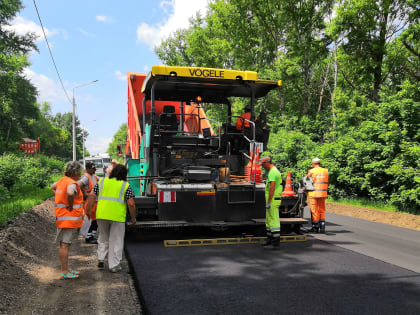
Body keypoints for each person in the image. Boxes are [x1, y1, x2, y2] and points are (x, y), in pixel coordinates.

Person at [86, 164, 136, 272]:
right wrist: (133, 218)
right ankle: (114, 266)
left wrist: (88, 211)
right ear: (124, 174)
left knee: (103, 237)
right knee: (116, 240)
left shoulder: (102, 182)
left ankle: (100, 258)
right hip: (117, 217)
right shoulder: (125, 185)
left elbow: (91, 196)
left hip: (102, 215)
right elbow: (131, 204)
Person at [51, 161, 84, 279]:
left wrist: (59, 197)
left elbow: (53, 187)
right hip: (69, 220)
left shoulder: (61, 181)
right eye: (79, 172)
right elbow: (70, 193)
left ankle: (66, 269)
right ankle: (64, 271)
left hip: (62, 218)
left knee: (64, 244)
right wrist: (69, 204)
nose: (80, 175)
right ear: (74, 173)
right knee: (65, 245)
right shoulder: (72, 184)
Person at [260, 157, 282, 250]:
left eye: (263, 165)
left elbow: (272, 188)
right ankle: (269, 239)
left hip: (273, 200)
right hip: (272, 200)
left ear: (267, 163)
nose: (263, 167)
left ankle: (276, 243)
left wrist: (269, 201)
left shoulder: (273, 172)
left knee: (274, 220)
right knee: (269, 220)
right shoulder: (274, 171)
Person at [307, 158, 329, 233]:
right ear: (319, 163)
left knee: (314, 210)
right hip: (323, 193)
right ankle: (322, 227)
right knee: (322, 210)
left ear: (313, 164)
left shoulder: (311, 171)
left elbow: (308, 183)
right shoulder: (325, 171)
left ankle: (315, 227)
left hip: (313, 194)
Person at [80, 162, 99, 244]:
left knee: (96, 220)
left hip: (94, 201)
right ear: (88, 169)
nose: (94, 170)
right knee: (92, 220)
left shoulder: (93, 176)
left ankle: (91, 235)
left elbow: (103, 180)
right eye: (93, 168)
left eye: (95, 168)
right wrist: (83, 194)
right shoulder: (85, 177)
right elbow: (79, 185)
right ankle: (88, 237)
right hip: (89, 202)